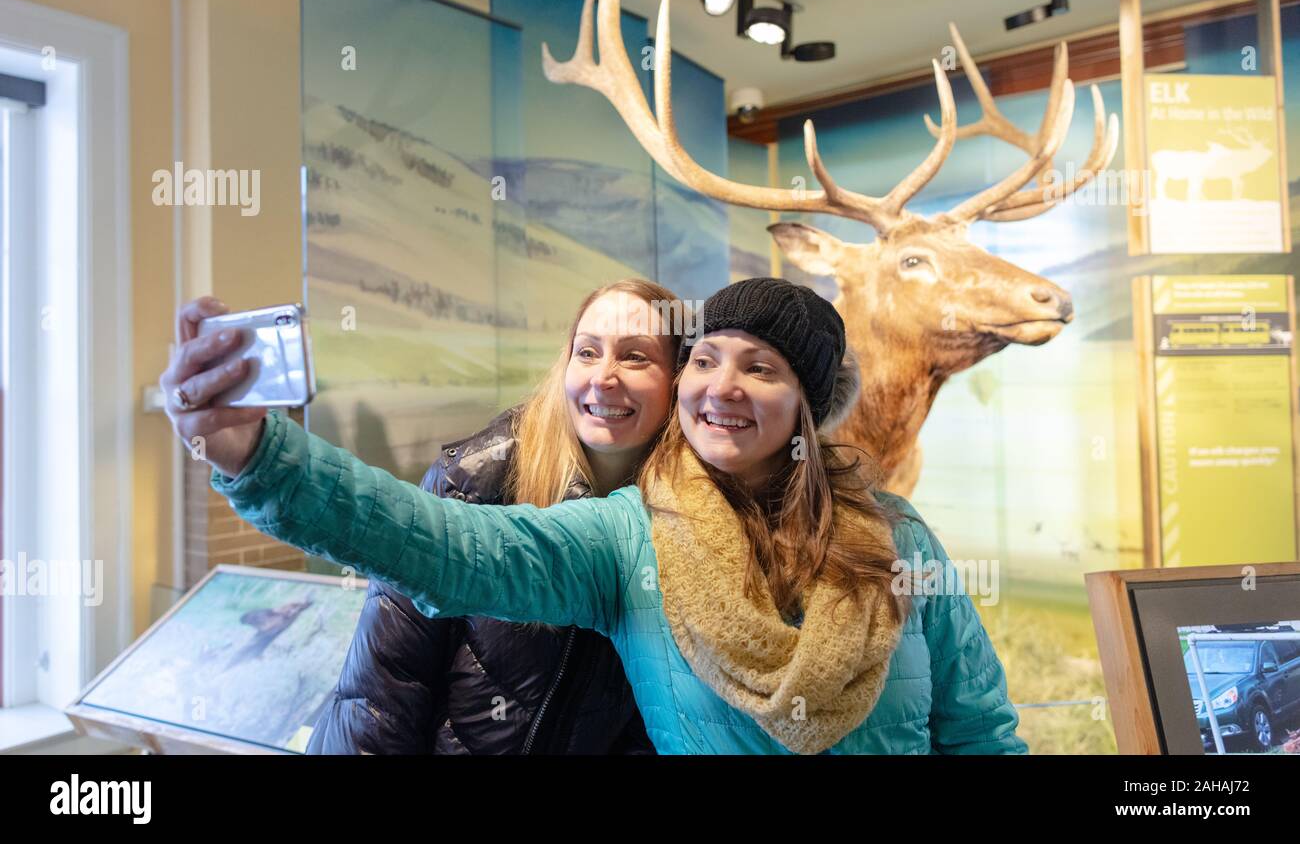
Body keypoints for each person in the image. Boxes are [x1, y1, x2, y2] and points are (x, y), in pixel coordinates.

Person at [163, 277, 1026, 754]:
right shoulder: (633, 535)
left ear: (808, 409)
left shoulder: (898, 541)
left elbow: (980, 732)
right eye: (709, 361)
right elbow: (447, 548)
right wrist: (261, 454)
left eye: (760, 369)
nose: (722, 387)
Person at [304, 279, 682, 753]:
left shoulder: (683, 518)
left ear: (678, 380)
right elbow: (382, 693)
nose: (603, 377)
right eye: (587, 352)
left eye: (634, 357)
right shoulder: (473, 480)